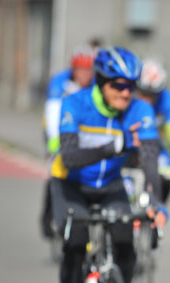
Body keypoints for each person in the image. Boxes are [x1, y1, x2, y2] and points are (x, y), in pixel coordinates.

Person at [49, 46, 165, 283]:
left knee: (126, 241)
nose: (126, 92)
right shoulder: (76, 104)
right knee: (75, 246)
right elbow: (70, 157)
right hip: (71, 184)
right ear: (101, 83)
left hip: (110, 186)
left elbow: (151, 158)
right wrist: (116, 144)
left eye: (131, 85)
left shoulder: (140, 111)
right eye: (118, 85)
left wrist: (156, 201)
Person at [40, 45, 95, 241]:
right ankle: (48, 216)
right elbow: (53, 115)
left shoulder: (95, 85)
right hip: (58, 129)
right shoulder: (59, 82)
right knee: (56, 169)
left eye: (88, 70)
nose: (84, 75)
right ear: (73, 69)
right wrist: (56, 144)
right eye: (80, 70)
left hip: (82, 131)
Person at [135, 58, 170, 203]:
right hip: (129, 146)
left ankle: (157, 208)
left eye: (152, 95)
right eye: (143, 93)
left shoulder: (167, 99)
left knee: (167, 172)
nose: (147, 100)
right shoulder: (127, 96)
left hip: (154, 147)